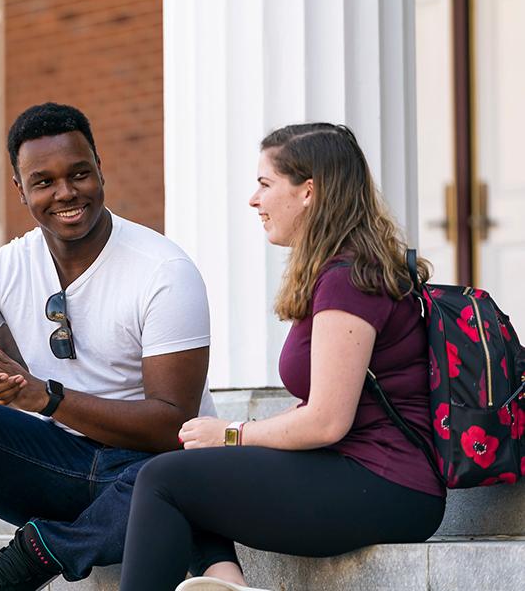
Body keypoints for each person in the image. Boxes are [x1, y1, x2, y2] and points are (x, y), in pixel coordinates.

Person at [0, 102, 214, 591]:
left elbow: (171, 424)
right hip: (56, 465)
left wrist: (47, 397)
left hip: (140, 471)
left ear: (100, 168)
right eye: (44, 181)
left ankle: (38, 553)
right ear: (20, 189)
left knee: (181, 480)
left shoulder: (162, 270)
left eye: (79, 174)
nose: (66, 193)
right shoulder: (7, 266)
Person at [118, 123, 447, 591]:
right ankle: (224, 583)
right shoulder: (344, 269)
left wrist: (232, 433)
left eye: (265, 184)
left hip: (387, 484)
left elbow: (326, 422)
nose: (255, 200)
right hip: (367, 475)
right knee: (186, 467)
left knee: (163, 480)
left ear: (308, 190)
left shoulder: (349, 279)